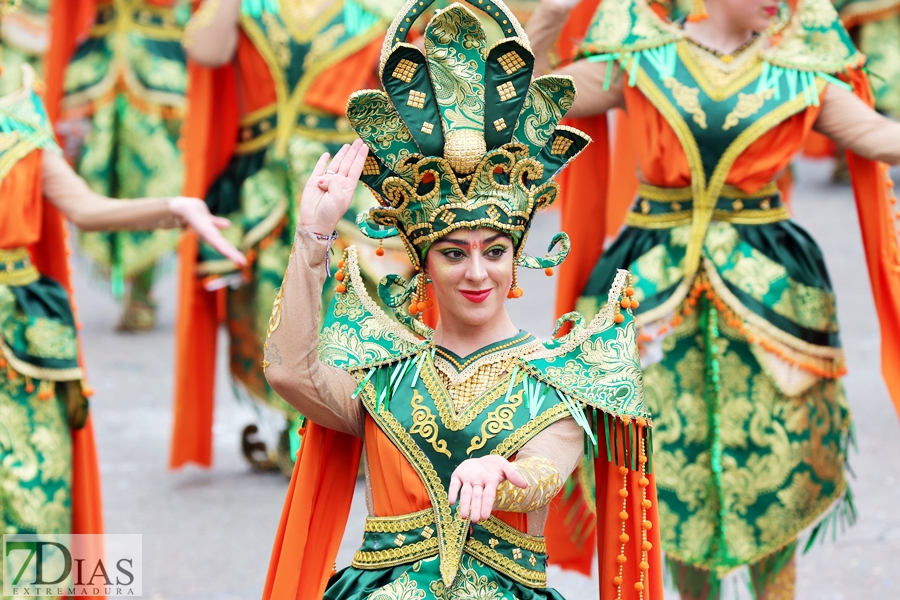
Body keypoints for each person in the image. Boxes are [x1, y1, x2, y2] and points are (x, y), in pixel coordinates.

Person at [260, 0, 664, 597]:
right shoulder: (384, 374)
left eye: (494, 251)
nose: (477, 272)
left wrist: (503, 473)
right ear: (424, 262)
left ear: (517, 256)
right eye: (454, 253)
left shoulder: (563, 374)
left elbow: (546, 469)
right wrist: (313, 237)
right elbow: (291, 371)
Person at [526, 0, 900, 596]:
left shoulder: (802, 69)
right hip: (649, 296)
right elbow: (528, 104)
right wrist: (549, 14)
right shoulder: (639, 60)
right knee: (667, 473)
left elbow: (882, 137)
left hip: (773, 296)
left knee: (780, 464)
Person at [0, 5, 244, 588]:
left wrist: (173, 208)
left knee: (38, 507)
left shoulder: (18, 108)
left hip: (20, 342)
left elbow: (84, 207)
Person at [169, 0, 411, 474]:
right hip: (263, 184)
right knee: (270, 298)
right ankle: (294, 421)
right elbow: (206, 51)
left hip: (345, 178)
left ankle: (348, 420)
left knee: (353, 295)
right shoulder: (251, 8)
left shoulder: (378, 11)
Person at [52, 0, 191, 332]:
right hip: (99, 67)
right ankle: (128, 281)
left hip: (157, 65)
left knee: (155, 176)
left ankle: (141, 288)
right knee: (99, 176)